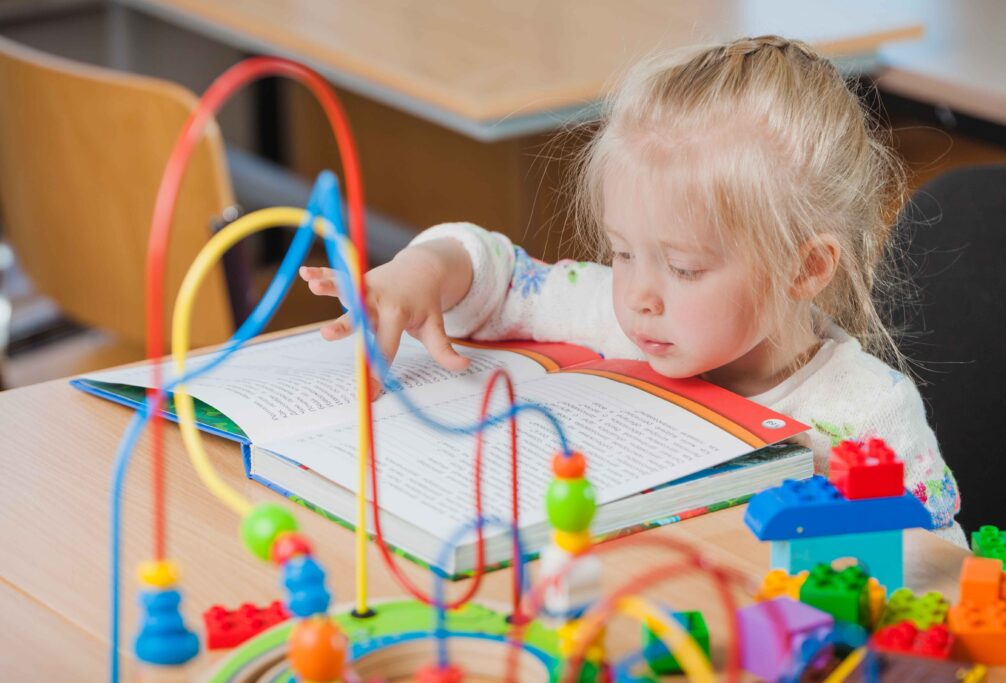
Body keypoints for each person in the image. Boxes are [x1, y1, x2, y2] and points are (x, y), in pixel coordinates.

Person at [300, 35, 965, 545]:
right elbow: (504, 278)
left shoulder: (869, 415)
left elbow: (941, 571)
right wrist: (422, 271)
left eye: (683, 267)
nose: (639, 295)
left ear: (806, 268)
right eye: (621, 252)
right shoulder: (628, 321)